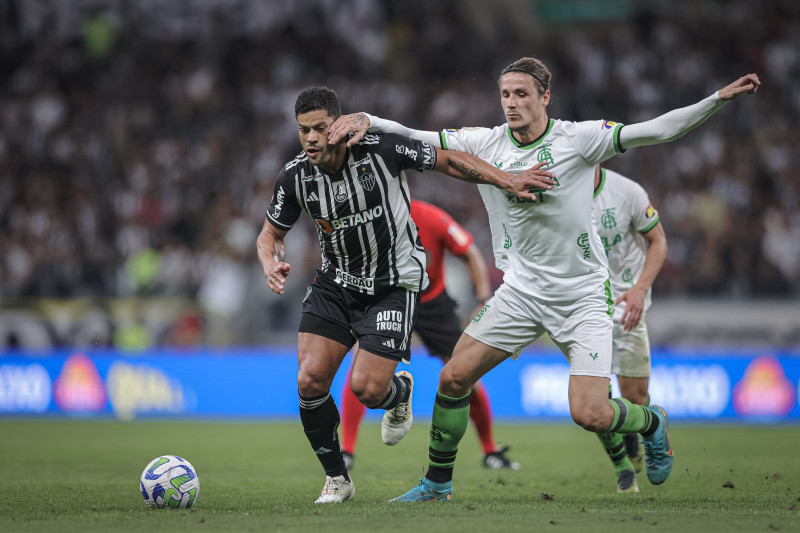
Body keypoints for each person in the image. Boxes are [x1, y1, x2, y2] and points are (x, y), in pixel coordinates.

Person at [328, 57, 760, 502]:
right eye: (505, 94)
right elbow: (417, 136)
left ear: (544, 97)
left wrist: (716, 99)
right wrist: (369, 119)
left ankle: (652, 422)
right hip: (520, 292)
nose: (511, 103)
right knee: (453, 378)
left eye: (521, 94)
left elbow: (657, 129)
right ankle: (437, 486)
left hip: (583, 296)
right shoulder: (484, 142)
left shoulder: (580, 138)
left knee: (590, 413)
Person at [257, 86, 555, 503]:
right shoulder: (295, 177)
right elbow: (269, 235)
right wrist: (270, 261)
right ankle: (337, 480)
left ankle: (399, 393)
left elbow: (451, 160)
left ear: (338, 125)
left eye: (320, 128)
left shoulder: (382, 150)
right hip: (334, 285)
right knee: (309, 380)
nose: (310, 138)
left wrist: (507, 179)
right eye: (303, 130)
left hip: (391, 286)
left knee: (368, 390)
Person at [339, 199, 520, 472]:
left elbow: (469, 252)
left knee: (466, 374)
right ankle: (346, 451)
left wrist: (483, 298)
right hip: (389, 301)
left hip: (432, 304)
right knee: (360, 370)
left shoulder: (432, 217)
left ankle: (490, 450)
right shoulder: (371, 217)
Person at [592, 164, 668, 493]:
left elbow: (659, 241)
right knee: (594, 401)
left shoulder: (627, 192)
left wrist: (639, 289)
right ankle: (622, 467)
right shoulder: (556, 191)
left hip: (626, 305)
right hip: (583, 306)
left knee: (634, 399)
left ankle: (641, 428)